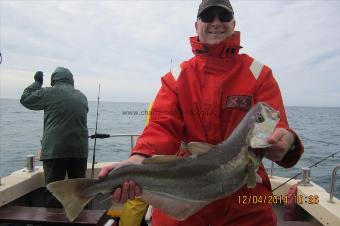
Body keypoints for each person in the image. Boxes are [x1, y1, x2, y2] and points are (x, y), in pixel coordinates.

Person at [99, 0, 304, 225]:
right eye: (208, 16)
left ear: (233, 23)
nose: (216, 22)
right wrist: (139, 158)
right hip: (183, 200)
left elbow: (278, 127)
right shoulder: (176, 78)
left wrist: (289, 141)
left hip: (246, 204)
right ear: (197, 25)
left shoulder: (260, 75)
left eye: (223, 16)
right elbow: (161, 125)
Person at [20, 67, 89, 208]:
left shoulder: (49, 93)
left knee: (53, 191)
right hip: (79, 152)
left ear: (54, 80)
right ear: (71, 80)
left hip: (55, 151)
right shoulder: (82, 96)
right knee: (80, 192)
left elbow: (25, 99)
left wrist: (37, 83)